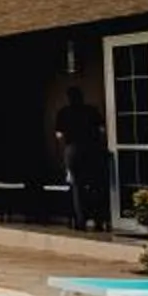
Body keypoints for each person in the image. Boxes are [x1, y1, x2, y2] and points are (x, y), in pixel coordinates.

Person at [52, 83, 108, 232]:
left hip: (73, 149)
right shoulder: (91, 111)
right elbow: (102, 130)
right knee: (96, 186)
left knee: (77, 187)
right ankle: (98, 221)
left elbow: (59, 135)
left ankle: (81, 221)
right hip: (92, 148)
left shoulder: (64, 112)